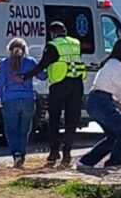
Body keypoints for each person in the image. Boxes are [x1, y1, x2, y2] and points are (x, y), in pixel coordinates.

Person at [20, 21, 87, 167]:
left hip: (59, 85)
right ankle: (67, 154)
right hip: (77, 84)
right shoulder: (75, 43)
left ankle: (54, 152)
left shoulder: (53, 45)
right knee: (72, 120)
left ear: (53, 33)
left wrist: (26, 76)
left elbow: (42, 65)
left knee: (54, 119)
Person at [77, 37, 121, 170]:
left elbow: (118, 90)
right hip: (100, 101)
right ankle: (113, 164)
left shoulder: (114, 64)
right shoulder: (116, 64)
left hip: (99, 101)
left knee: (113, 136)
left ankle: (85, 162)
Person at [0, 38, 46, 169]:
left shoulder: (5, 63)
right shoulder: (30, 62)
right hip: (28, 99)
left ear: (9, 50)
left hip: (10, 99)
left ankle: (16, 154)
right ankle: (21, 155)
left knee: (11, 130)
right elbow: (42, 76)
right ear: (25, 49)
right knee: (24, 130)